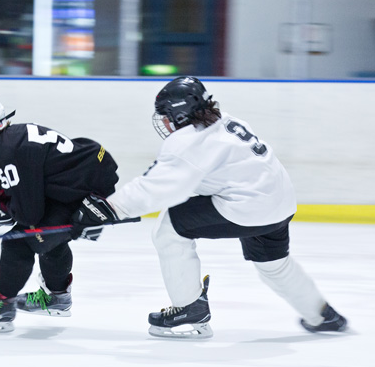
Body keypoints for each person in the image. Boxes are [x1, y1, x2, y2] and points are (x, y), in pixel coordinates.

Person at [71, 76, 347, 339]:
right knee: (275, 266)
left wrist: (109, 208)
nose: (165, 122)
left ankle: (190, 310)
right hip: (280, 204)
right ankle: (323, 316)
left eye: (166, 114)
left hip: (249, 207)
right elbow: (200, 178)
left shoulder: (188, 140)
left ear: (179, 114)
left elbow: (159, 187)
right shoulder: (227, 121)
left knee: (170, 230)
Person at [0, 95, 119, 333]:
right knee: (47, 238)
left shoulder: (6, 150)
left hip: (84, 193)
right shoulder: (7, 143)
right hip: (83, 180)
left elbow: (29, 214)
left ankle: (2, 307)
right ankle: (57, 297)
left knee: (20, 243)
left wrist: (4, 207)